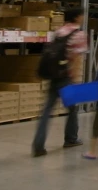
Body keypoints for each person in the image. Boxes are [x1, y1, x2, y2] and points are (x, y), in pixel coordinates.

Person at [32, 8, 88, 157]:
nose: (83, 17)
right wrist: (75, 80)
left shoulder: (59, 32)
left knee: (46, 111)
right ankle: (71, 138)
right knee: (72, 109)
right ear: (77, 17)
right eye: (82, 15)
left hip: (54, 76)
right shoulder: (79, 34)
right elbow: (76, 59)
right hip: (66, 78)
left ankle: (38, 145)